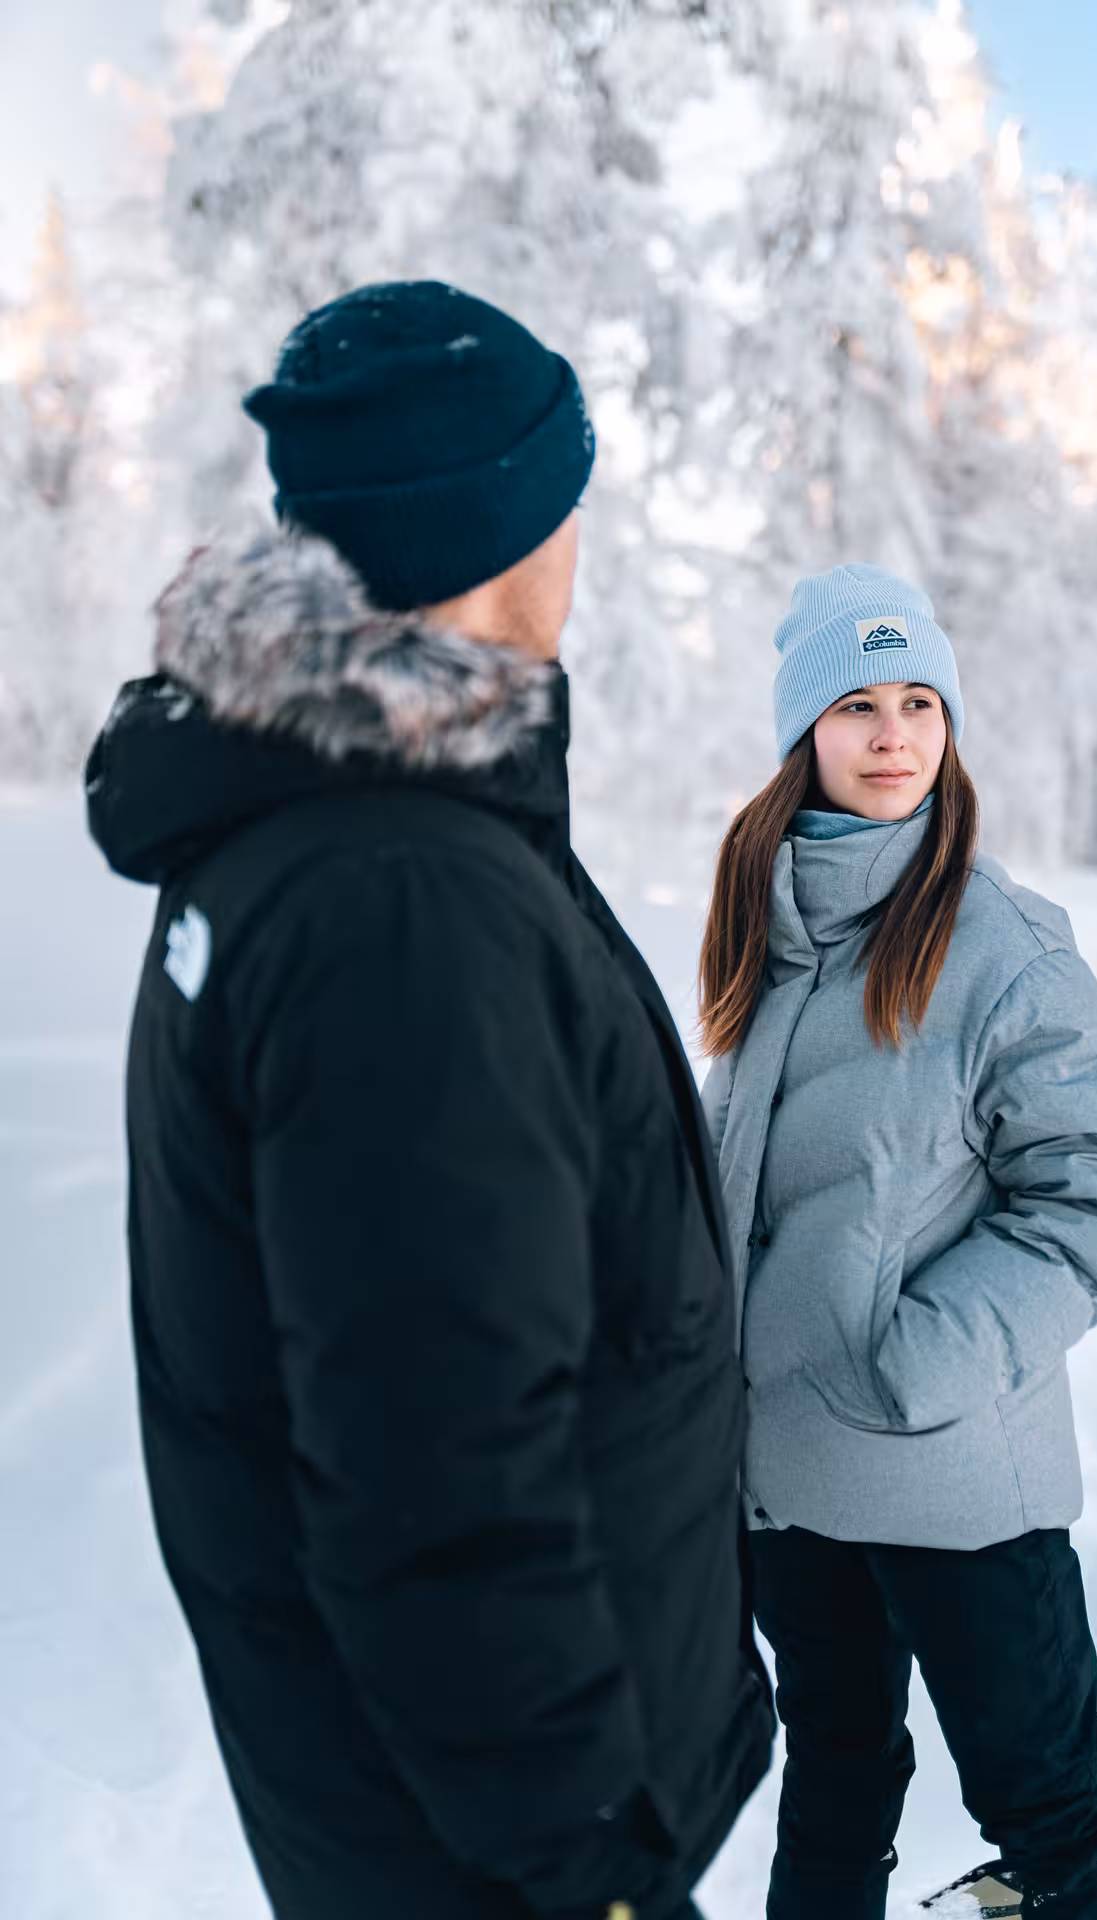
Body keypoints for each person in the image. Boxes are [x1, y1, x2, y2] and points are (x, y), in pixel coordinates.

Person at [85, 282, 773, 1920]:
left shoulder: (332, 813)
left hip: (412, 1808)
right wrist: (594, 1865)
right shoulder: (399, 899)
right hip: (498, 1849)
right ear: (501, 533)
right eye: (565, 491)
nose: (582, 529)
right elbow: (438, 1463)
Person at [697, 566, 1097, 1920]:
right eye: (857, 703)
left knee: (1049, 1802)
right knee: (836, 1770)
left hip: (956, 1477)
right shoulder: (769, 932)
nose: (895, 732)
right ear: (805, 737)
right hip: (786, 1482)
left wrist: (912, 1366)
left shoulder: (1001, 944)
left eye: (919, 702)